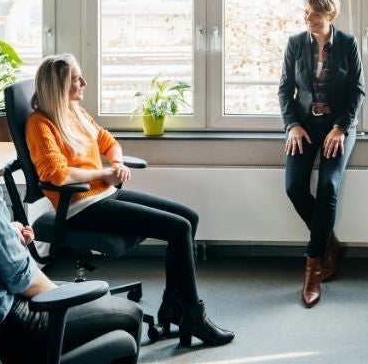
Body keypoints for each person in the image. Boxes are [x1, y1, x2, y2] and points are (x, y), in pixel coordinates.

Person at [0, 63, 143, 364]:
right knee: (129, 314)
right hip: (8, 323)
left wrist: (5, 232)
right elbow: (21, 277)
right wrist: (62, 296)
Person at [25, 53, 234, 347]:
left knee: (189, 217)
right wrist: (104, 173)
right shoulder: (40, 124)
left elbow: (108, 141)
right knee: (179, 228)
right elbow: (57, 174)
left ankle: (174, 306)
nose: (84, 83)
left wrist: (117, 163)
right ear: (58, 86)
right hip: (81, 207)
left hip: (105, 193)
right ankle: (191, 314)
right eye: (76, 79)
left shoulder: (75, 112)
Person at [278, 0, 365, 308]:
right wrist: (293, 125)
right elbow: (285, 90)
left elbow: (357, 91)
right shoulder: (295, 43)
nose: (308, 19)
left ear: (331, 15)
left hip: (338, 127)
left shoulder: (347, 43)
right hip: (304, 125)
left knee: (328, 187)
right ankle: (331, 244)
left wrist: (341, 128)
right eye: (306, 13)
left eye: (315, 14)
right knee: (294, 187)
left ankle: (314, 265)